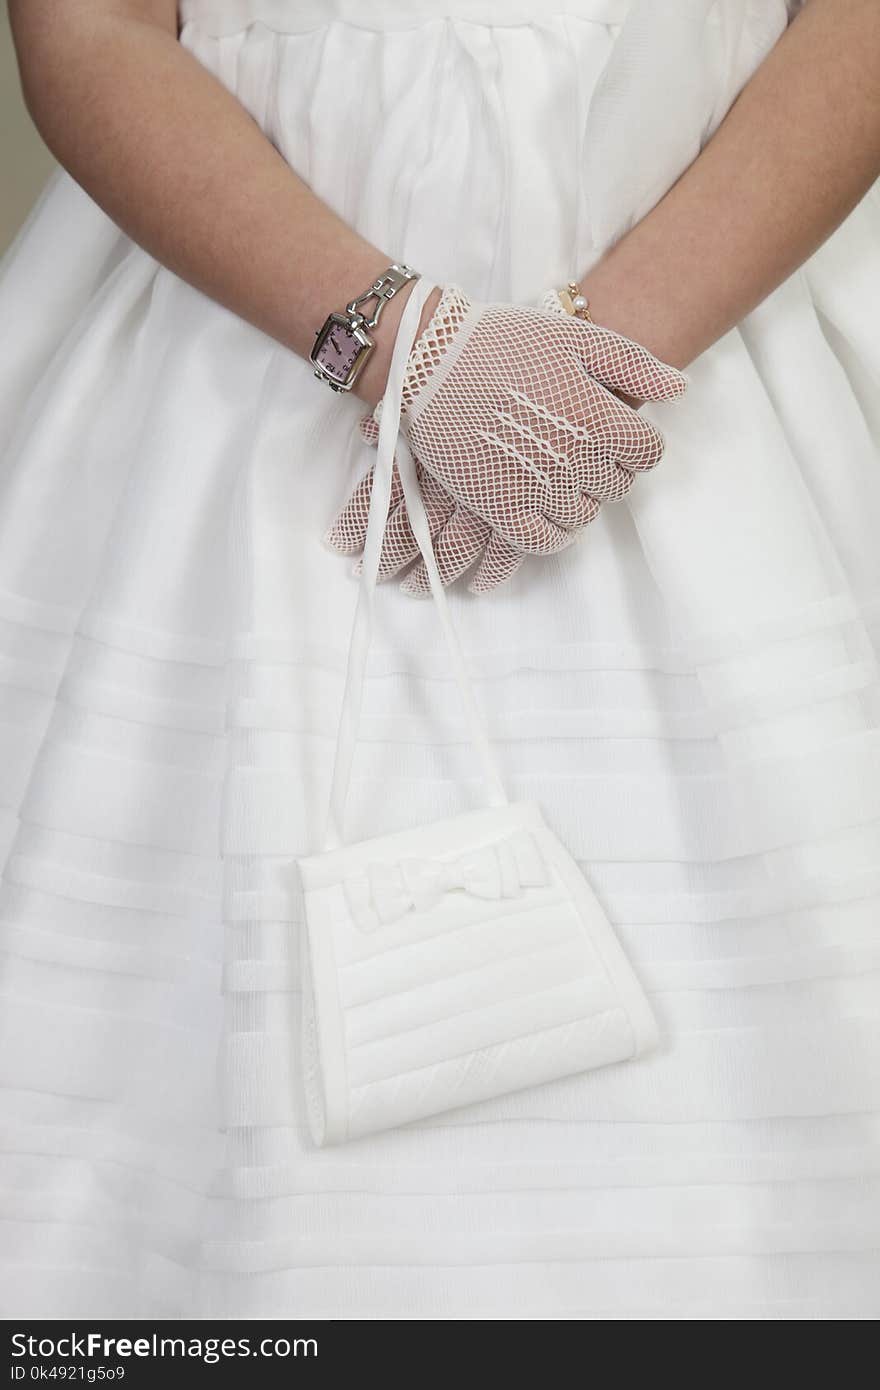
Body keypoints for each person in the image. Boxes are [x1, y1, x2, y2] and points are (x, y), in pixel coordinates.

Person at [1, 0, 878, 1319]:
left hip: (726, 325)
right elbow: (90, 28)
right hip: (243, 341)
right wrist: (403, 346)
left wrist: (598, 362)